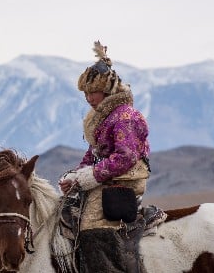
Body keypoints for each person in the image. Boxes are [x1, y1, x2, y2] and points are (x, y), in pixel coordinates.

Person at [58, 41, 151, 273]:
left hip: (126, 178)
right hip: (108, 177)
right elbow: (93, 153)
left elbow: (126, 156)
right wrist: (76, 176)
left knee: (91, 229)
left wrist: (92, 176)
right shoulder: (103, 117)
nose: (88, 98)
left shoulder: (124, 117)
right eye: (86, 93)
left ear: (107, 90)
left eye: (93, 92)